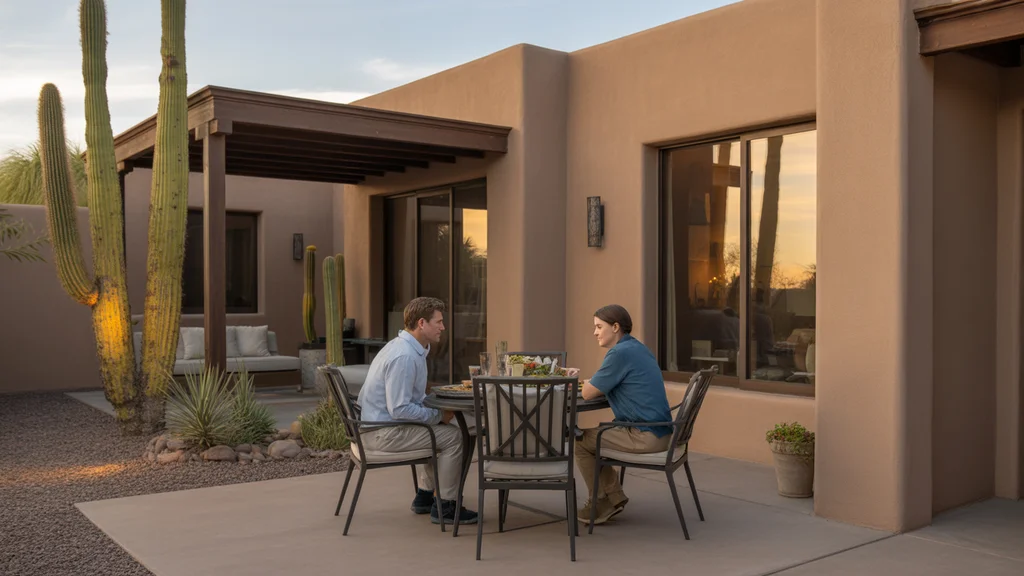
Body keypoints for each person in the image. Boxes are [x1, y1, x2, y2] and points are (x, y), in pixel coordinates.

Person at [356, 296, 478, 526]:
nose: (443, 327)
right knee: (455, 436)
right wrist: (438, 415)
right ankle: (446, 507)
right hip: (382, 433)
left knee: (442, 428)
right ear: (422, 323)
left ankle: (424, 497)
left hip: (379, 426)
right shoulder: (404, 356)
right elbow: (400, 409)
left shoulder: (409, 348)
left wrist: (439, 410)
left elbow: (414, 399)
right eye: (438, 322)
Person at [575, 304, 673, 525]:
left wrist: (587, 383)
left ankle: (601, 501)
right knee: (596, 436)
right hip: (662, 430)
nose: (595, 332)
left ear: (616, 327)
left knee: (580, 442)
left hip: (645, 434)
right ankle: (613, 498)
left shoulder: (619, 353)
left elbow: (588, 393)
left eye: (599, 327)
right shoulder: (637, 348)